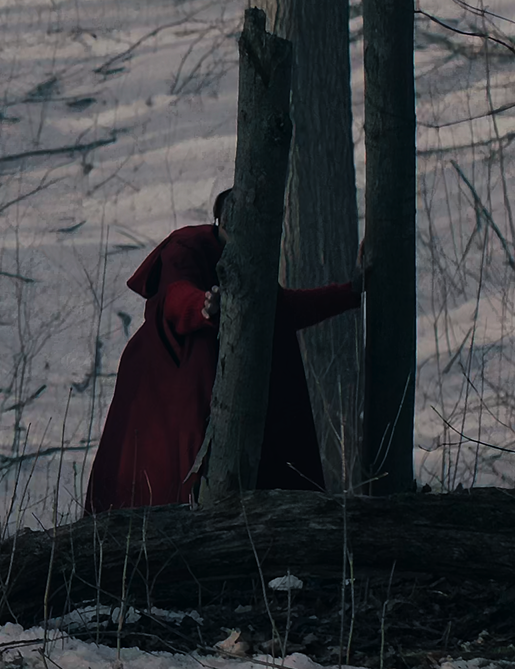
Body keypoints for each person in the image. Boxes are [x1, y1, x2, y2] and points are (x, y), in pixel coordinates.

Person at [86, 189, 365, 512]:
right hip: (167, 390)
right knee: (158, 496)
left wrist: (350, 292)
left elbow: (283, 309)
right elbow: (174, 296)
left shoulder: (251, 260)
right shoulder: (187, 245)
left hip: (227, 395)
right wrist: (203, 307)